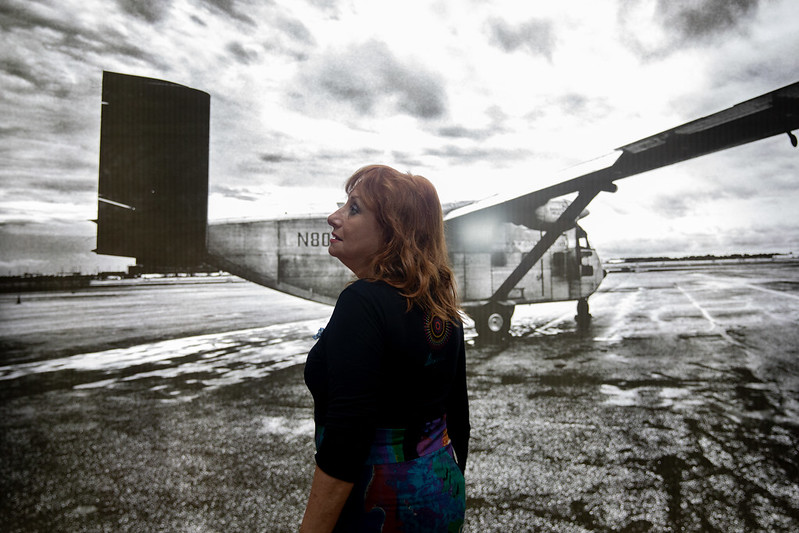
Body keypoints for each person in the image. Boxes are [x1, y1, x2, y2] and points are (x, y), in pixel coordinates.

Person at [300, 165, 470, 532]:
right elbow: (459, 417)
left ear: (393, 232)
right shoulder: (442, 307)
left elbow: (346, 438)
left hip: (380, 505)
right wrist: (443, 483)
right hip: (441, 492)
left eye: (354, 209)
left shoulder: (362, 302)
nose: (334, 217)